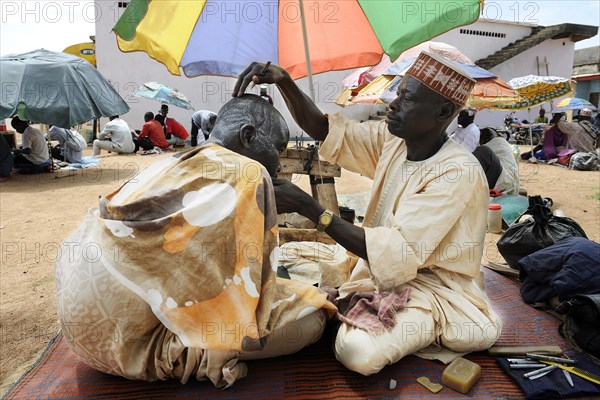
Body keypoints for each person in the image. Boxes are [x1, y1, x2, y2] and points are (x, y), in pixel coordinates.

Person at [233, 53, 501, 376]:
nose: (393, 104)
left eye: (407, 99)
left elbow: (399, 252)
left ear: (443, 112)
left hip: (433, 288)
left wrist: (310, 208)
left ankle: (380, 324)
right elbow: (323, 129)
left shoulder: (458, 172)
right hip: (377, 269)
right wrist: (285, 82)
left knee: (356, 351)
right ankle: (341, 311)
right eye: (398, 94)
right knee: (290, 254)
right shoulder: (395, 141)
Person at [55, 94, 335, 388]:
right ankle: (191, 356)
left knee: (293, 293)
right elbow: (249, 295)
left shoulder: (165, 164)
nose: (279, 165)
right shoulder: (249, 172)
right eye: (279, 149)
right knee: (313, 320)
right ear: (248, 136)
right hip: (130, 348)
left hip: (78, 332)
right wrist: (309, 210)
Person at [480, 127, 520, 195]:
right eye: (482, 137)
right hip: (507, 181)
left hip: (505, 180)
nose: (484, 138)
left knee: (483, 151)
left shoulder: (499, 143)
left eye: (487, 136)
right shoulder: (503, 145)